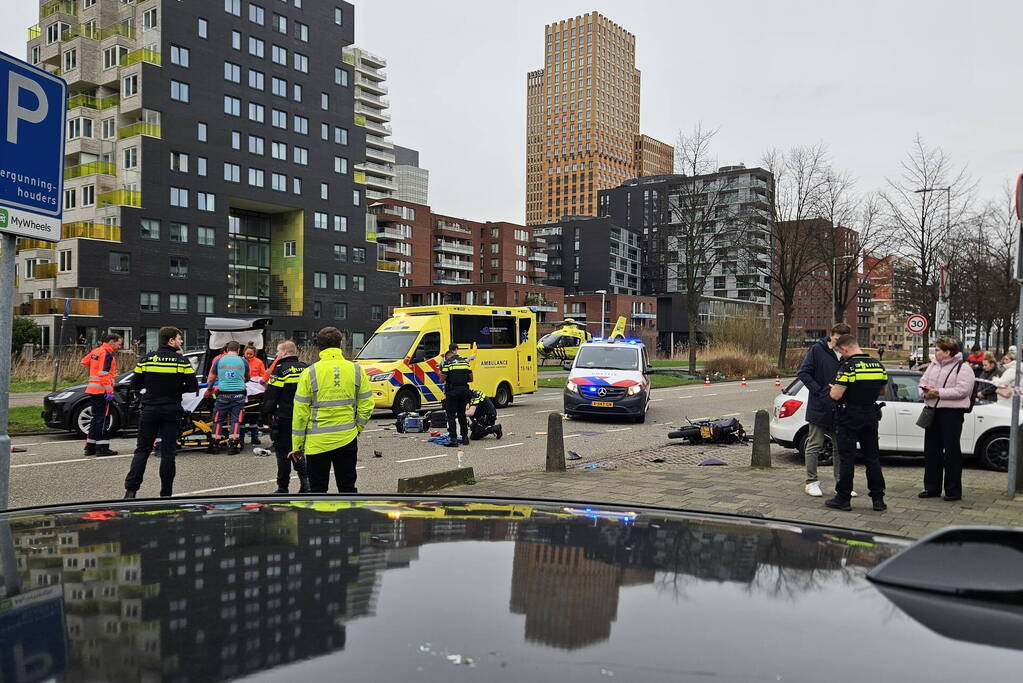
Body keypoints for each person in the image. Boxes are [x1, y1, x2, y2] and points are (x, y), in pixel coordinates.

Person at [291, 327, 373, 493]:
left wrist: (297, 446)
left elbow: (300, 413)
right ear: (340, 344)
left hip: (317, 443)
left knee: (318, 490)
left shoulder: (310, 373)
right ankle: (349, 519)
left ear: (318, 346)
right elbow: (367, 404)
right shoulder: (356, 370)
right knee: (348, 488)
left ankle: (322, 518)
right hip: (347, 438)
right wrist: (357, 428)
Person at [123, 327, 198, 498]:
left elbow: (135, 384)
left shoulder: (147, 359)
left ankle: (131, 491)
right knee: (168, 452)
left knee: (142, 450)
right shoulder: (181, 361)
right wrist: (177, 388)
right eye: (179, 339)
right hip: (171, 410)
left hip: (150, 409)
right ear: (171, 341)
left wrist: (150, 389)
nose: (181, 342)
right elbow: (193, 386)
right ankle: (166, 493)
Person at [825, 334, 889, 512]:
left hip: (849, 416)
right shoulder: (878, 365)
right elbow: (882, 390)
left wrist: (834, 389)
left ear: (845, 348)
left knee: (847, 458)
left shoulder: (848, 367)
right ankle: (878, 499)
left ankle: (843, 498)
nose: (840, 354)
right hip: (870, 414)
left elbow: (836, 395)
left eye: (839, 351)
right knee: (872, 459)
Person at [917, 337, 976, 501]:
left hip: (952, 414)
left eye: (937, 350)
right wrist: (925, 392)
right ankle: (931, 488)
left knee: (951, 452)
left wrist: (939, 393)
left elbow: (962, 391)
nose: (934, 353)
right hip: (933, 410)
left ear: (947, 352)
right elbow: (922, 382)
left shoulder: (963, 368)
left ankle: (953, 490)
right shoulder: (933, 365)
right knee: (931, 451)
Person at [796, 323, 851, 498]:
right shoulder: (817, 350)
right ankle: (811, 482)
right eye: (836, 339)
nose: (839, 343)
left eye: (843, 340)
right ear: (831, 335)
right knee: (814, 444)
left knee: (839, 447)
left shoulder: (848, 353)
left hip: (840, 406)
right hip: (819, 404)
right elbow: (804, 373)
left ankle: (841, 484)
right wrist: (820, 391)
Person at [260, 340, 311, 494]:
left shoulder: (280, 370)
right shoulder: (306, 368)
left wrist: (263, 417)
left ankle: (283, 487)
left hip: (284, 417)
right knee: (299, 449)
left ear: (284, 353)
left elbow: (271, 396)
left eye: (278, 352)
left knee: (283, 453)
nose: (276, 355)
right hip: (304, 417)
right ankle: (306, 483)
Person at [80, 332, 123, 456]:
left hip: (93, 389)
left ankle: (90, 447)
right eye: (118, 344)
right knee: (103, 419)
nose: (119, 346)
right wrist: (109, 390)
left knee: (95, 418)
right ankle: (102, 448)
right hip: (102, 390)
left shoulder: (96, 351)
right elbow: (103, 374)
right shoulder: (106, 354)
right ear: (111, 342)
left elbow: (84, 362)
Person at [208, 341, 250, 455]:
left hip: (223, 395)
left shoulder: (219, 360)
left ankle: (215, 444)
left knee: (218, 419)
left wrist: (210, 388)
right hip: (239, 395)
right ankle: (233, 445)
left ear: (226, 350)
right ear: (238, 350)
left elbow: (211, 378)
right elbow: (247, 377)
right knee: (236, 420)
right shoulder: (243, 361)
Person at [439, 343, 473, 447]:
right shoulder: (464, 362)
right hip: (464, 391)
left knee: (451, 415)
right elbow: (471, 378)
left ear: (448, 355)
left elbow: (442, 380)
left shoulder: (448, 363)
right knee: (462, 415)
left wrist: (442, 371)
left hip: (452, 392)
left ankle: (453, 439)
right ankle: (465, 438)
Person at [242, 344, 268, 445]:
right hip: (245, 388)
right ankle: (241, 438)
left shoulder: (258, 362)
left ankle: (255, 437)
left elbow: (263, 375)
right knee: (243, 418)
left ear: (255, 354)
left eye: (251, 354)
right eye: (247, 354)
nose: (249, 356)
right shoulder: (241, 361)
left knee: (253, 417)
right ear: (244, 353)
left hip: (255, 389)